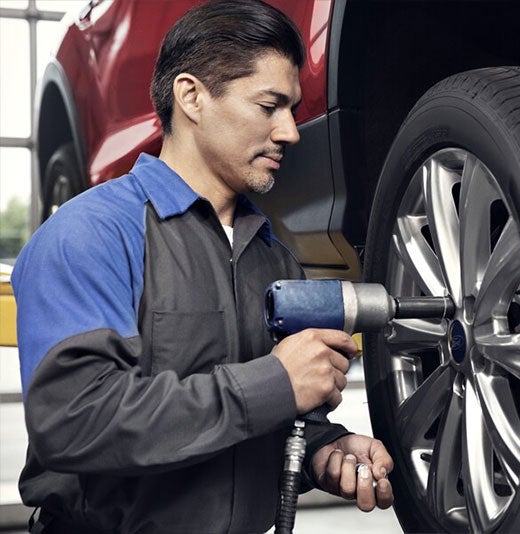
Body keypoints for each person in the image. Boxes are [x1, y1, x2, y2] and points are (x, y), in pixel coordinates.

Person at [11, 1, 394, 532]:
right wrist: (275, 382)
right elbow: (75, 421)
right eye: (269, 106)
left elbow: (268, 419)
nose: (291, 132)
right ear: (191, 96)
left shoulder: (273, 254)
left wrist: (322, 450)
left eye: (293, 109)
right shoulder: (90, 236)